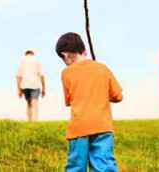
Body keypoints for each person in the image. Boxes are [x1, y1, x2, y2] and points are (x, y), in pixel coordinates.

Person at [56, 32, 123, 171]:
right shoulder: (102, 68)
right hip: (102, 126)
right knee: (103, 165)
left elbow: (69, 101)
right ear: (83, 50)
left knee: (76, 166)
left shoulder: (66, 73)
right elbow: (118, 96)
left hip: (78, 128)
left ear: (65, 55)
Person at [16, 49, 46, 122]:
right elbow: (42, 75)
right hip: (35, 84)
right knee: (34, 103)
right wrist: (44, 88)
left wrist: (19, 89)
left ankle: (29, 121)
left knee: (28, 104)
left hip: (25, 85)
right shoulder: (37, 60)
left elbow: (18, 76)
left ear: (26, 54)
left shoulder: (22, 61)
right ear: (33, 54)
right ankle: (35, 121)